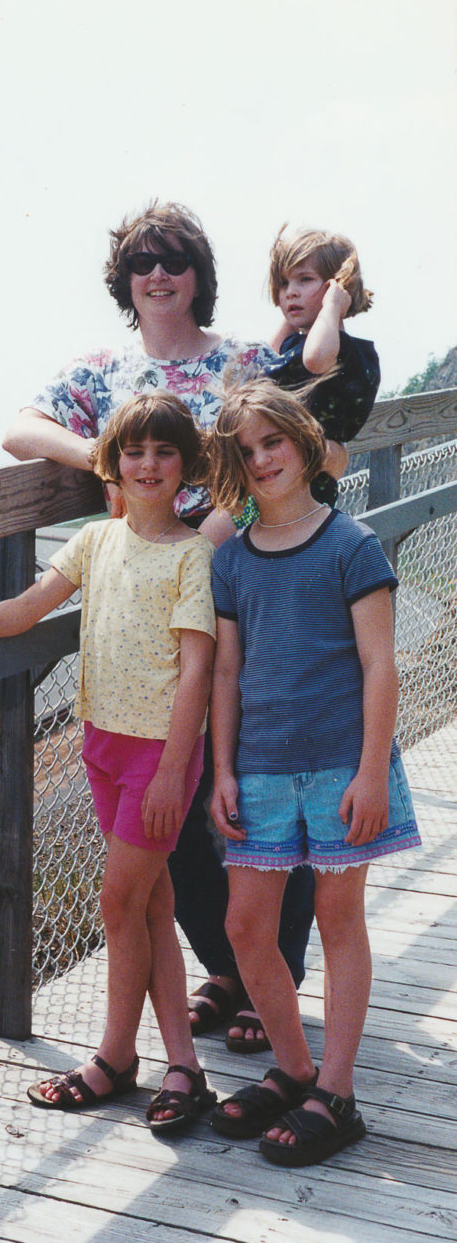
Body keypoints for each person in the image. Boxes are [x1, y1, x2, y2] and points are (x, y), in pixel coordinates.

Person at [2, 199, 314, 1053]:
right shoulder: (102, 371)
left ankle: (268, 976)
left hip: (243, 591)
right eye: (144, 261)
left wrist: (210, 534)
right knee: (165, 805)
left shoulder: (245, 361)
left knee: (246, 786)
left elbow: (292, 444)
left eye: (175, 259)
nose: (159, 273)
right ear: (126, 281)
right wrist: (102, 451)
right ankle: (223, 968)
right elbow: (19, 428)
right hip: (150, 620)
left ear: (199, 276)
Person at [0, 393, 219, 1135]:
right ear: (111, 463)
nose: (147, 466)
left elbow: (197, 672)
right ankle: (184, 1063)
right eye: (134, 452)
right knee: (150, 904)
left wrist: (177, 771)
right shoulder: (96, 542)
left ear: (187, 466)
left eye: (164, 453)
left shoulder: (192, 556)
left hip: (158, 754)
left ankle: (116, 1058)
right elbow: (30, 604)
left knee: (120, 902)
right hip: (102, 744)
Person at [206, 378, 421, 1166]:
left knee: (338, 922)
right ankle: (292, 1065)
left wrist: (371, 773)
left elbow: (379, 666)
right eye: (246, 450)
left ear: (300, 443)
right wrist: (222, 769)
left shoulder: (351, 546)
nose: (263, 459)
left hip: (340, 768)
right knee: (244, 927)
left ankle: (337, 1091)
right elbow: (226, 675)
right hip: (260, 769)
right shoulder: (231, 562)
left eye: (274, 441)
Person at [262, 224, 379, 508]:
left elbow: (314, 361)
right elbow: (264, 362)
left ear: (334, 290)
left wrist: (332, 307)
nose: (290, 292)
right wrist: (291, 318)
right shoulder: (297, 344)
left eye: (304, 280)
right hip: (275, 476)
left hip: (310, 492)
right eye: (284, 283)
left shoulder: (342, 351)